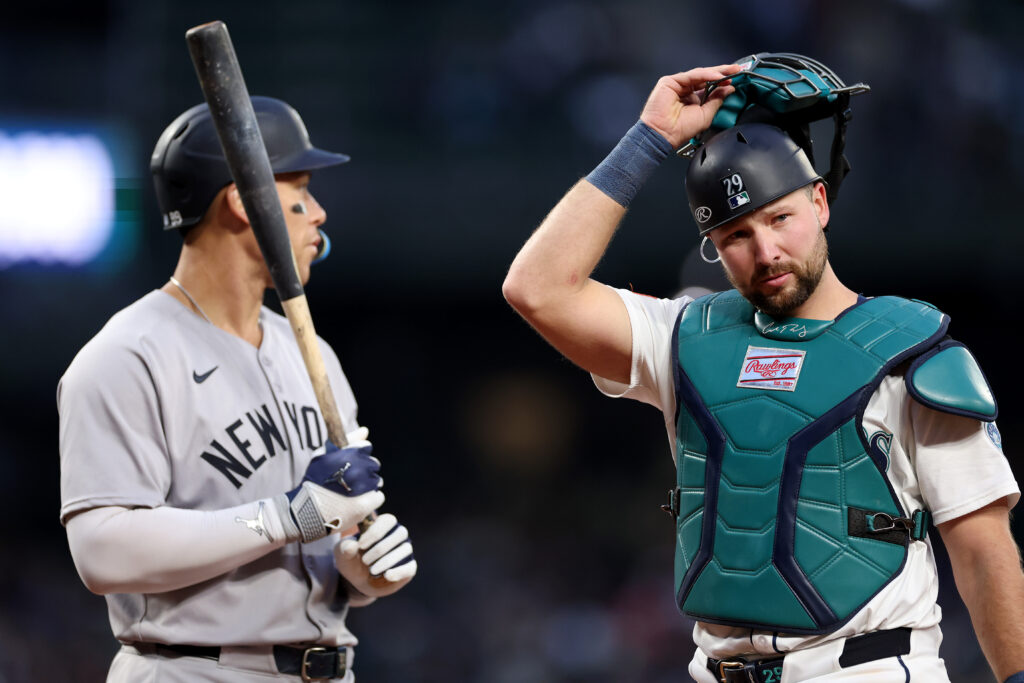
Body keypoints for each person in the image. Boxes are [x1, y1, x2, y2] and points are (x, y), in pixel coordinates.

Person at [503, 54, 1024, 683]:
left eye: (780, 218)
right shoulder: (685, 339)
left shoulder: (912, 352)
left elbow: (982, 549)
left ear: (820, 203)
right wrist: (649, 140)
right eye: (736, 236)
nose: (767, 250)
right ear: (713, 248)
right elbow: (537, 289)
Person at [58, 96, 417, 682]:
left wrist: (357, 574)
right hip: (193, 670)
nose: (319, 213)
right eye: (299, 190)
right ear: (240, 201)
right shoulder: (128, 355)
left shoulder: (311, 354)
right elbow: (101, 553)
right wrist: (284, 517)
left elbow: (321, 526)